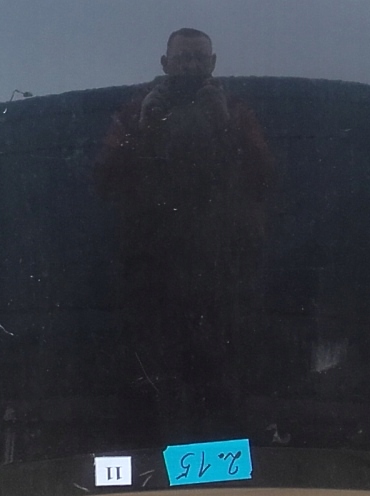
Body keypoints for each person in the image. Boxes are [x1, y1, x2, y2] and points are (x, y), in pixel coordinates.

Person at [96, 29, 273, 440]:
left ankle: (225, 465)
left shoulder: (235, 110)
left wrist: (225, 125)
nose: (191, 66)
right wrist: (143, 127)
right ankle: (157, 463)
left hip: (222, 278)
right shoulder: (136, 110)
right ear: (165, 64)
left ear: (213, 64)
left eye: (198, 58)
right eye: (182, 58)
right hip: (152, 277)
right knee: (157, 385)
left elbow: (265, 180)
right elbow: (104, 182)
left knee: (223, 384)